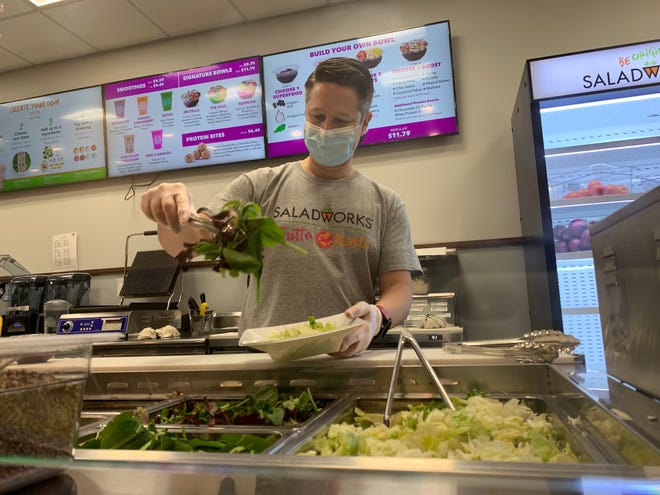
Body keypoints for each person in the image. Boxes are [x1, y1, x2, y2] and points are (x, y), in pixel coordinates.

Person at [141, 57, 421, 357]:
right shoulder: (260, 185)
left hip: (343, 359)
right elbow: (189, 241)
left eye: (340, 121)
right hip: (264, 361)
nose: (326, 129)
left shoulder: (385, 203)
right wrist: (171, 211)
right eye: (317, 116)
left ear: (364, 123)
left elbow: (399, 289)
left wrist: (377, 317)